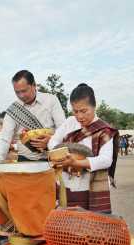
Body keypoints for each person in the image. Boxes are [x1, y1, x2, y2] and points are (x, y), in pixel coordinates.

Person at [48, 83, 119, 213]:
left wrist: (77, 162)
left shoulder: (104, 130)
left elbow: (106, 160)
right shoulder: (69, 122)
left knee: (89, 224)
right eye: (75, 111)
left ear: (94, 107)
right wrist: (62, 154)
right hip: (66, 183)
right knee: (66, 224)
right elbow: (53, 141)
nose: (79, 116)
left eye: (84, 111)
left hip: (89, 187)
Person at [0, 70, 65, 161]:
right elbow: (4, 139)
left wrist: (51, 141)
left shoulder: (51, 100)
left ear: (34, 85)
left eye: (24, 91)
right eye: (17, 92)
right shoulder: (13, 110)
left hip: (51, 160)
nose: (21, 96)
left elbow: (63, 128)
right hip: (24, 161)